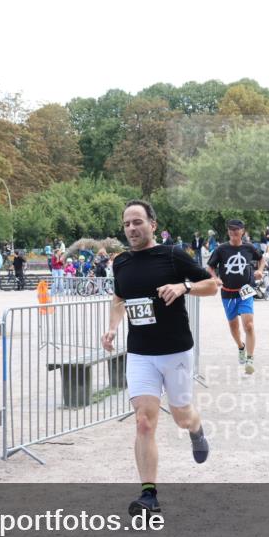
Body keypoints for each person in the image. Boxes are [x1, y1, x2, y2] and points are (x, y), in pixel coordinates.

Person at [101, 199, 217, 516]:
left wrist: (184, 287)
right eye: (126, 224)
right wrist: (112, 328)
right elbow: (119, 298)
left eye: (137, 221)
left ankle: (196, 429)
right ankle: (148, 495)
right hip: (140, 353)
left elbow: (213, 285)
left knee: (181, 415)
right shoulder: (121, 263)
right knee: (143, 422)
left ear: (153, 224)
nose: (131, 228)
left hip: (176, 351)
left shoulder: (172, 254)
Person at [207, 219, 264, 375]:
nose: (233, 232)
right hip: (228, 292)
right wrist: (215, 278)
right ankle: (241, 347)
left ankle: (250, 359)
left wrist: (260, 271)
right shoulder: (221, 249)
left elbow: (261, 259)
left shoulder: (249, 247)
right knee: (234, 327)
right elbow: (210, 266)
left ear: (242, 231)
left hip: (246, 290)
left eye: (236, 230)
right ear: (228, 232)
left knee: (249, 325)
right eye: (231, 230)